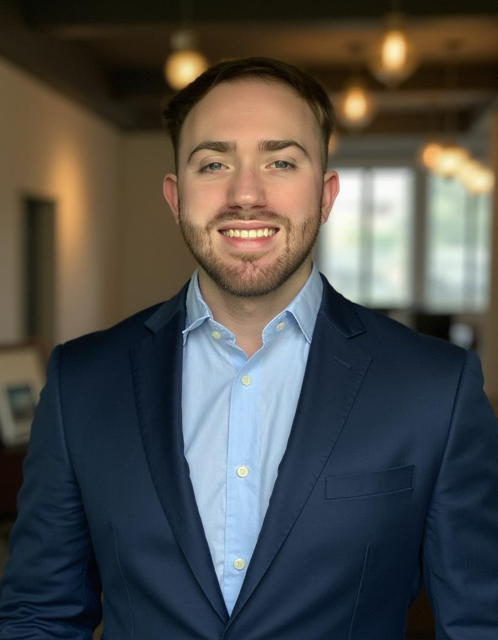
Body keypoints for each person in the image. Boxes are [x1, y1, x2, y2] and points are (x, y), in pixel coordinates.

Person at [1, 56, 497, 640]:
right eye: (214, 163)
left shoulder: (437, 389)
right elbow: (38, 616)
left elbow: (478, 623)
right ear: (176, 197)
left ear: (326, 195)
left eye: (280, 161)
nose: (245, 194)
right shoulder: (80, 383)